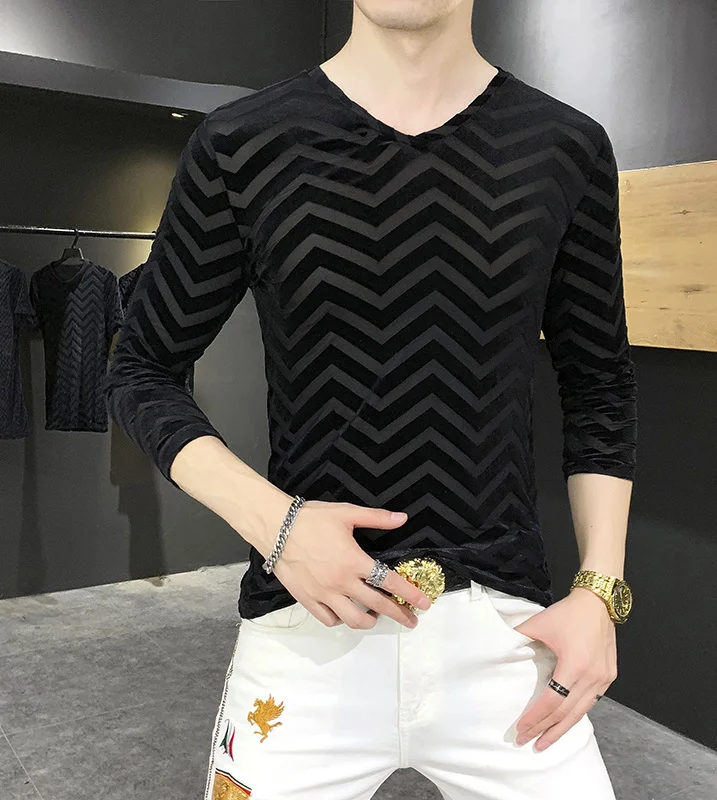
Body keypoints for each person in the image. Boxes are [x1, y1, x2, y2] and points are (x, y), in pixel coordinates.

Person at [105, 0, 638, 797]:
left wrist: (601, 591)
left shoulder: (566, 146)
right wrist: (277, 527)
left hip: (505, 637)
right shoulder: (243, 142)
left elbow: (599, 382)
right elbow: (142, 367)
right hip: (304, 632)